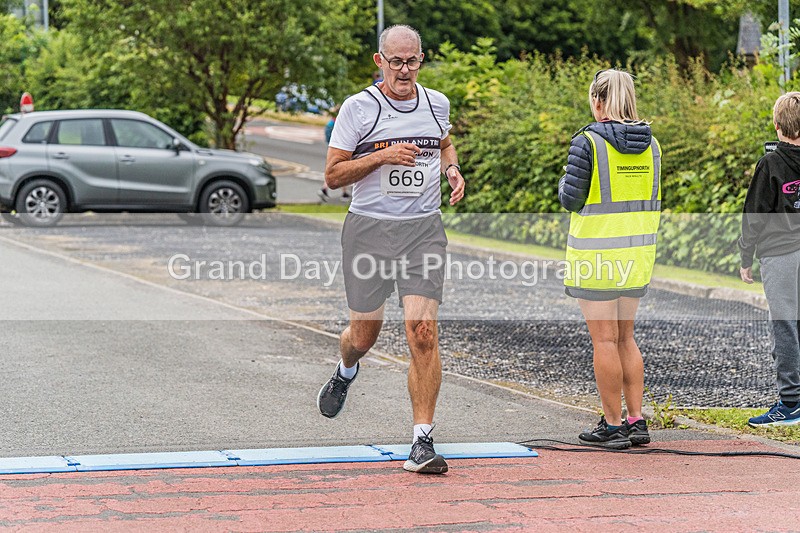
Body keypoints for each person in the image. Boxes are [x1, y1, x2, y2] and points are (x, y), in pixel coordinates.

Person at [316, 24, 465, 474]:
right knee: (363, 337)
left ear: (421, 60)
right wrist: (381, 156)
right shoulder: (359, 109)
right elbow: (333, 175)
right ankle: (346, 368)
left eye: (412, 60)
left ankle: (422, 442)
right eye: (395, 61)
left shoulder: (436, 103)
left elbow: (444, 143)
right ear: (379, 61)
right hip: (369, 231)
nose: (404, 70)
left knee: (422, 331)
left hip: (422, 231)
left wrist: (452, 169)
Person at [559, 69, 662, 449]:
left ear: (598, 102)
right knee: (626, 337)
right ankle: (636, 421)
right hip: (636, 253)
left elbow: (571, 198)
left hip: (597, 254)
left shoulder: (587, 142)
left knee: (603, 340)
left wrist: (562, 182)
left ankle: (613, 425)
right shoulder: (654, 147)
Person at [739, 92, 800, 427]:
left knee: (786, 326)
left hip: (780, 255)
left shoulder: (771, 163)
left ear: (777, 126)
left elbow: (755, 214)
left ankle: (790, 403)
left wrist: (745, 255)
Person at [318, 105, 351, 202]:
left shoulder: (331, 121)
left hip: (334, 146)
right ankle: (343, 193)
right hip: (340, 147)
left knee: (339, 168)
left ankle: (326, 189)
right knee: (342, 169)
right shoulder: (339, 122)